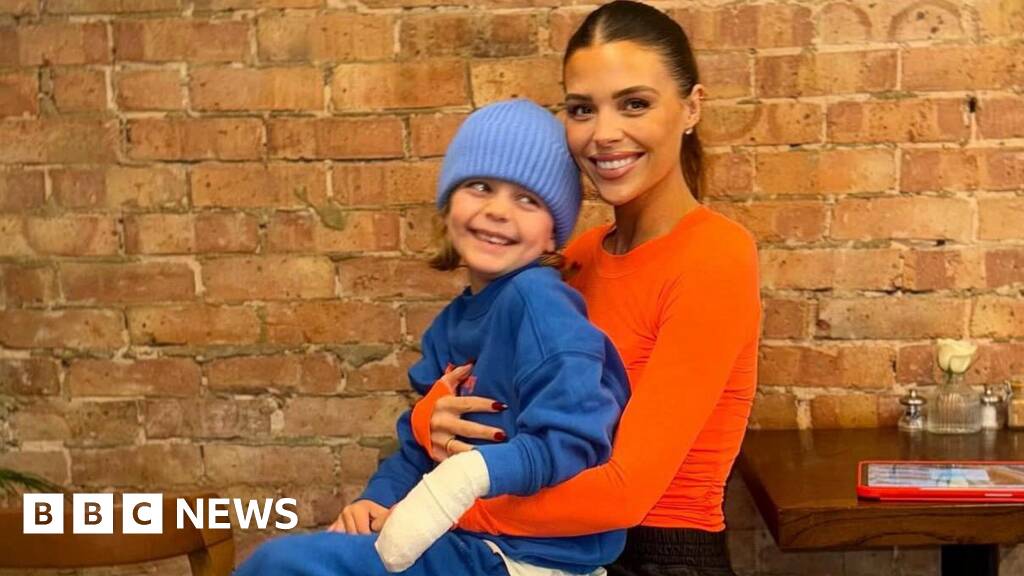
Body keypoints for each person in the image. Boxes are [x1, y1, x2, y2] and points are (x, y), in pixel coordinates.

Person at [408, 2, 762, 575]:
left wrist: (435, 511)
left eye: (635, 104)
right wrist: (430, 418)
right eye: (582, 109)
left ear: (692, 107)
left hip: (657, 557)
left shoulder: (716, 256)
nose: (604, 134)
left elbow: (624, 492)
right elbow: (476, 381)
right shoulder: (575, 257)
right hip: (536, 551)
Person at [233, 99, 630, 576]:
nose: (498, 210)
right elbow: (421, 448)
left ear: (552, 235)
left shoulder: (540, 303)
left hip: (529, 556)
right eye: (480, 186)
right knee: (304, 555)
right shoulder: (451, 324)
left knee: (283, 564)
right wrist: (376, 500)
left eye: (527, 199)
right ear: (448, 204)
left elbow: (575, 443)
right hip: (466, 539)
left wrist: (464, 478)